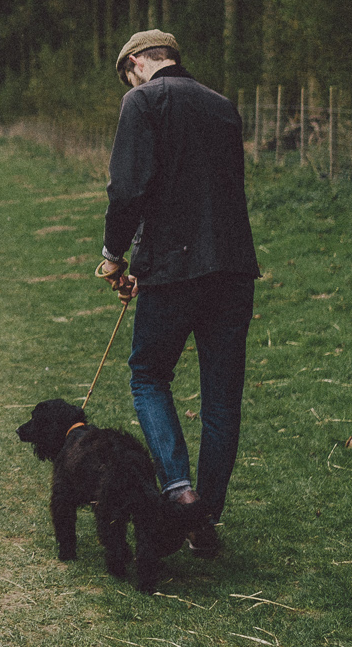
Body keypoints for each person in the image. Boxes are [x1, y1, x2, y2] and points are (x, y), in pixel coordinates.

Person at [96, 30, 259, 558]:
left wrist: (115, 254)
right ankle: (206, 514)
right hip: (232, 268)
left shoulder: (142, 101)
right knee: (222, 398)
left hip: (172, 270)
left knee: (147, 375)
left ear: (137, 63)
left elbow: (128, 188)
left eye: (128, 75)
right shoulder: (223, 106)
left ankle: (180, 493)